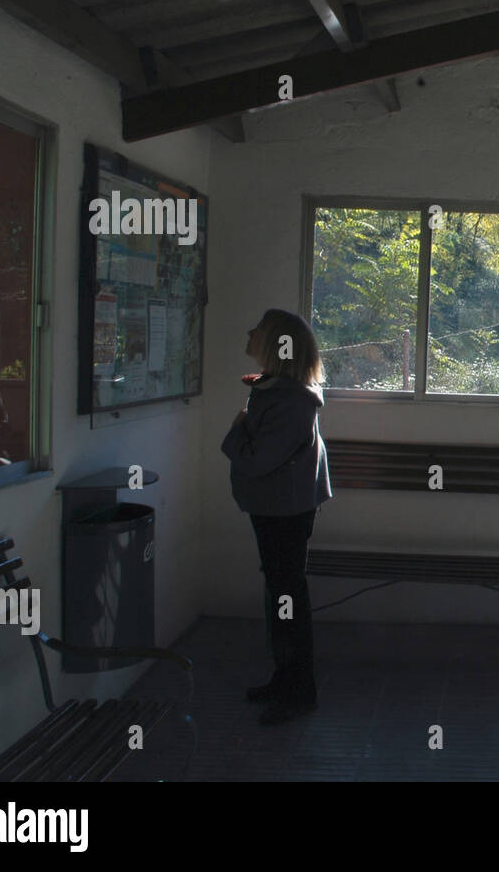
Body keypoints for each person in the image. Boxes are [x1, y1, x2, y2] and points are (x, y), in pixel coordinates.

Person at [220, 309, 333, 726]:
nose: (249, 332)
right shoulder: (279, 391)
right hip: (277, 506)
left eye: (258, 330)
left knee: (286, 598)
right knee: (282, 594)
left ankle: (299, 690)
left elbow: (258, 458)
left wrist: (235, 432)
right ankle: (285, 680)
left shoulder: (289, 400)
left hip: (283, 509)